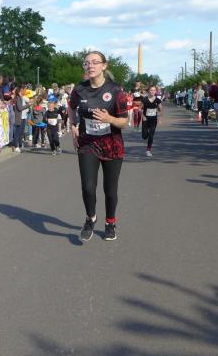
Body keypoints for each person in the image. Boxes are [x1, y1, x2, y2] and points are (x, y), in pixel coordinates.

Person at [69, 51, 129, 242]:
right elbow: (71, 107)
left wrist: (109, 118)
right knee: (88, 187)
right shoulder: (79, 89)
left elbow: (124, 122)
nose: (91, 66)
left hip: (112, 145)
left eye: (95, 62)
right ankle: (90, 218)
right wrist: (73, 126)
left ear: (104, 65)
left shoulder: (116, 90)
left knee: (110, 190)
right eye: (87, 63)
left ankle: (110, 222)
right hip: (88, 143)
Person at [141, 85, 163, 157]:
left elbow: (160, 109)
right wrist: (143, 116)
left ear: (156, 91)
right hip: (145, 119)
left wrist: (159, 117)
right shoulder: (144, 99)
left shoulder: (157, 100)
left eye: (154, 90)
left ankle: (148, 150)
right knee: (144, 136)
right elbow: (139, 109)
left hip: (153, 120)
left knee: (151, 135)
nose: (152, 92)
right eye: (151, 90)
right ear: (148, 91)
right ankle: (146, 134)